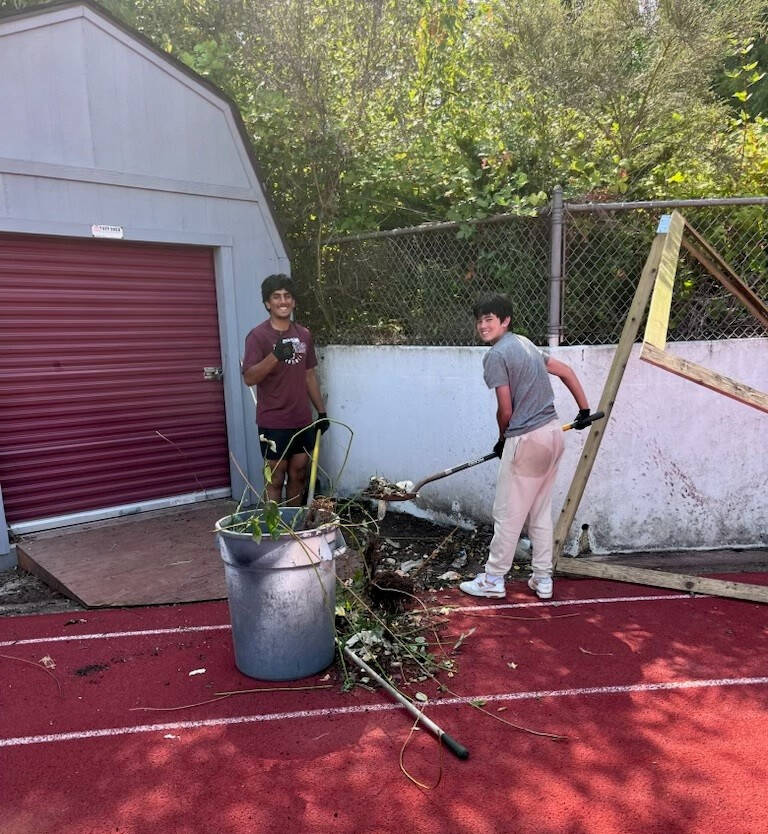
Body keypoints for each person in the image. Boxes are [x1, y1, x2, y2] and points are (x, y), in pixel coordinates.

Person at [459, 294, 592, 601]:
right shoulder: (525, 343)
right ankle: (543, 578)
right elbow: (567, 371)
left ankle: (493, 579)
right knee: (539, 512)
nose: (482, 325)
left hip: (527, 439)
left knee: (507, 513)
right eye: (479, 320)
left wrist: (504, 438)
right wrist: (584, 410)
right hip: (552, 435)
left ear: (505, 321)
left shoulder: (495, 356)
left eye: (489, 319)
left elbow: (505, 409)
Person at [242, 274, 329, 505]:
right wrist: (275, 356)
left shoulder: (304, 335)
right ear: (267, 303)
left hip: (301, 419)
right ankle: (275, 531)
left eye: (287, 296)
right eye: (276, 296)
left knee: (299, 474)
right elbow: (249, 378)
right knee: (275, 478)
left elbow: (309, 374)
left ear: (294, 302)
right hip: (274, 421)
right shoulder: (257, 336)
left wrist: (321, 413)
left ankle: (294, 526)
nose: (283, 301)